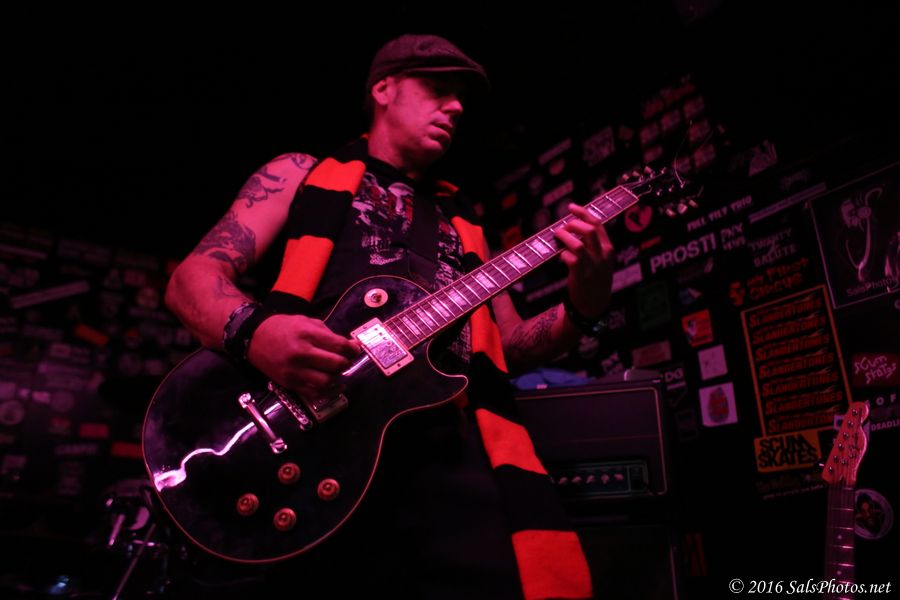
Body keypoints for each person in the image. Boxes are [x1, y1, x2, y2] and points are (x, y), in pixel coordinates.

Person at [164, 33, 614, 600]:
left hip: (451, 458)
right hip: (315, 444)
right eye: (438, 89)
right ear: (383, 88)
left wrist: (585, 302)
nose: (456, 107)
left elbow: (512, 345)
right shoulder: (299, 173)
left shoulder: (466, 224)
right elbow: (192, 278)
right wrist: (258, 333)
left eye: (461, 100)